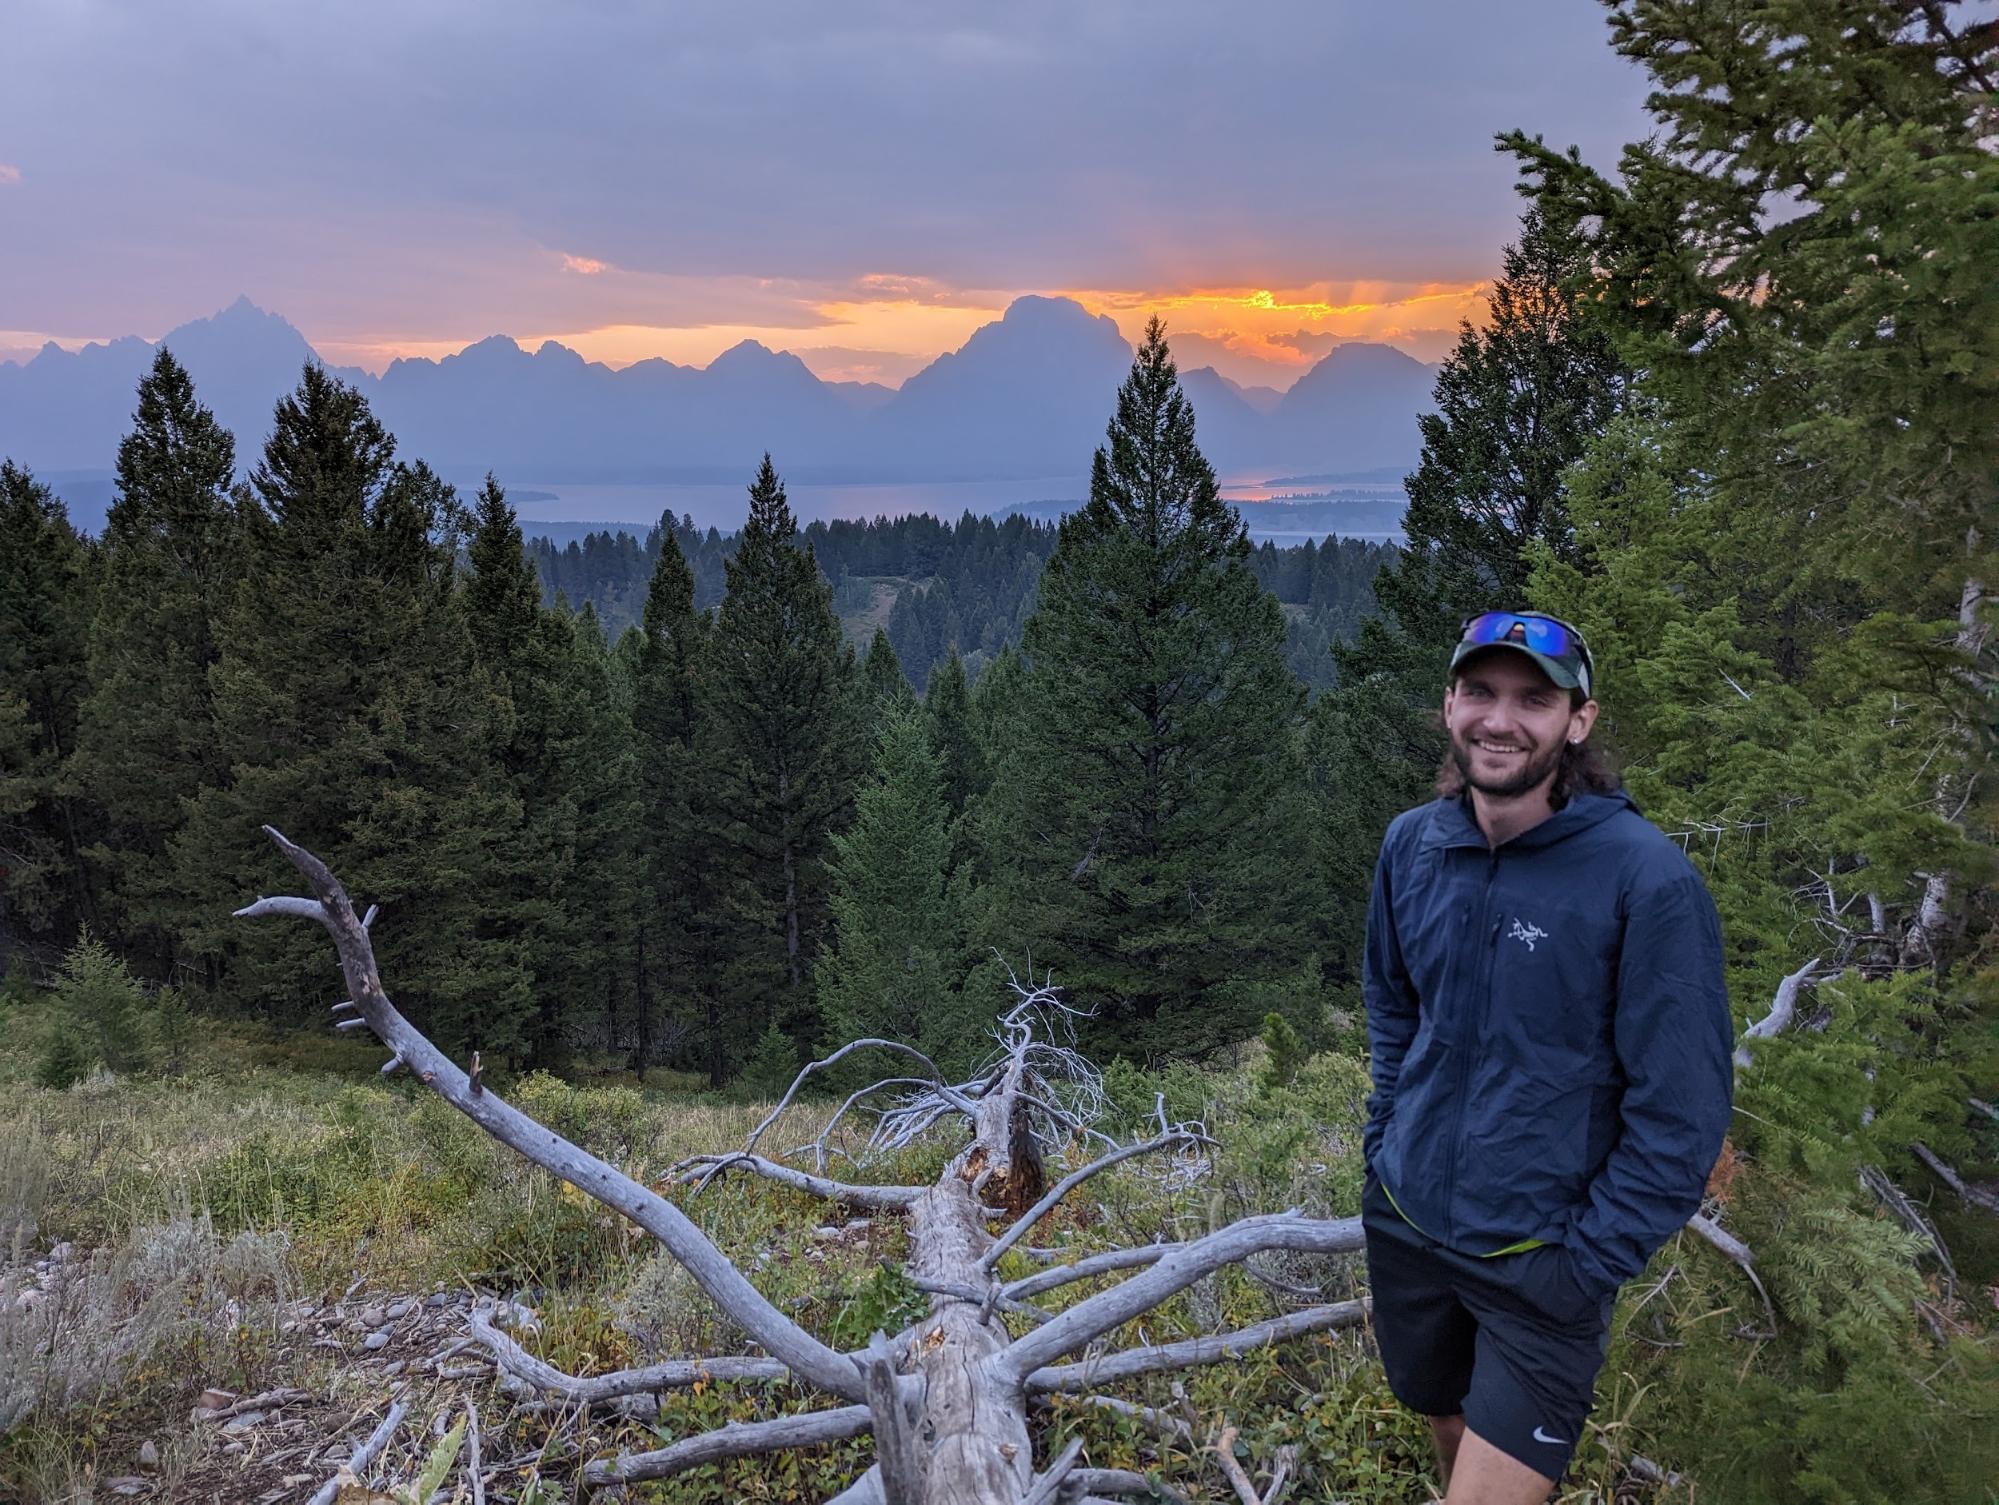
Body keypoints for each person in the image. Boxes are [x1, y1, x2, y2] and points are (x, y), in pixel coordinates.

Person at [1360, 609, 1733, 1503]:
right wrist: (1383, 1151)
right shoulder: (1413, 844)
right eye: (1481, 691)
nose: (1501, 718)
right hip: (1407, 1225)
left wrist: (1584, 1264)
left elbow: (1680, 1113)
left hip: (1541, 1259)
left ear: (1579, 720)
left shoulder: (1644, 879)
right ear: (1449, 703)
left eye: (1534, 698)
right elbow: (1391, 1005)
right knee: (1442, 1420)